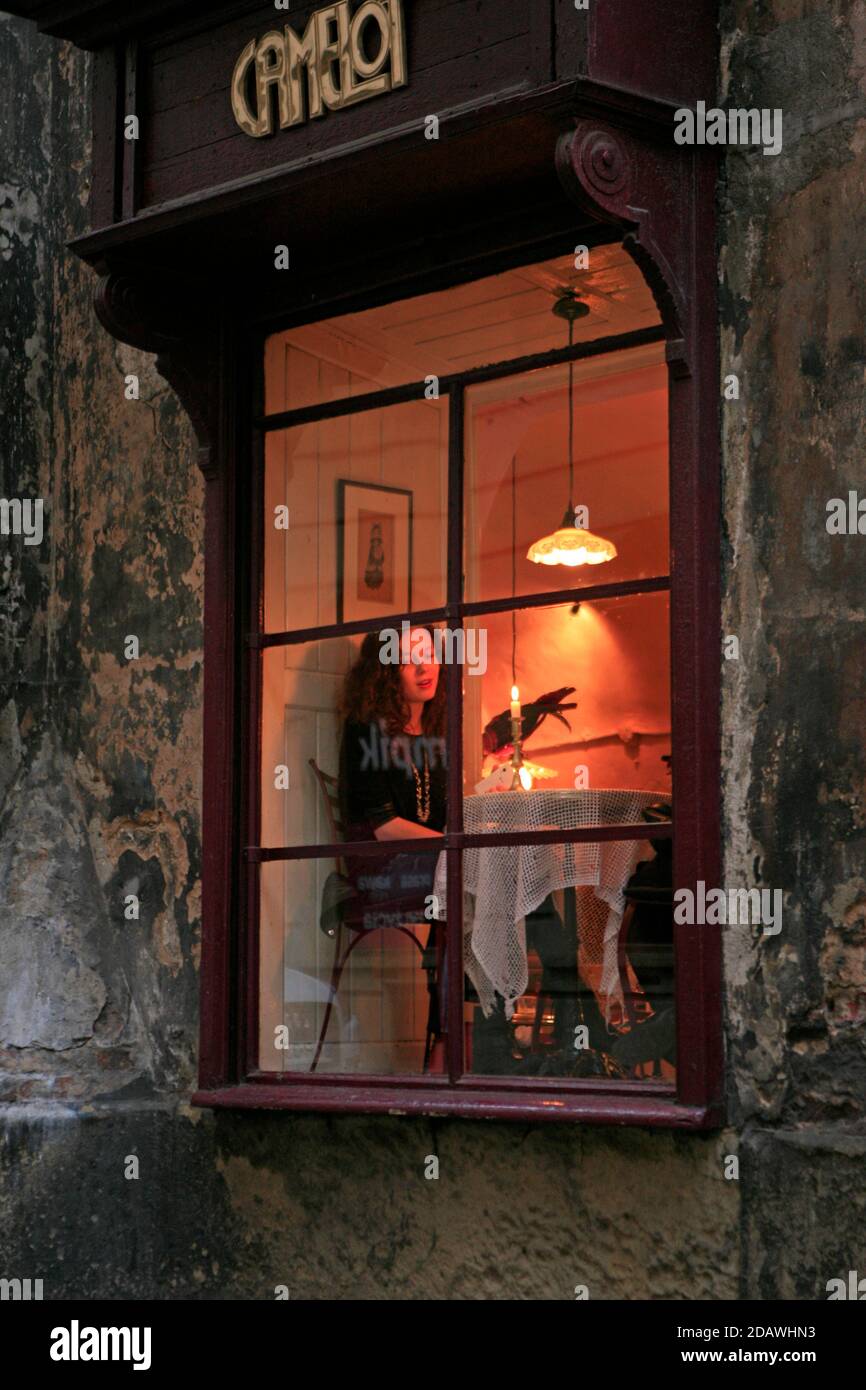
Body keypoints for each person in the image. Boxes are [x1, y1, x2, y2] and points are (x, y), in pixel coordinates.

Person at [337, 625, 447, 1058]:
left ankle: (462, 1036)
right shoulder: (366, 729)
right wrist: (452, 844)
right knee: (466, 878)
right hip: (379, 872)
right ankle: (453, 1042)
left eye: (429, 654)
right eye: (407, 659)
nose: (423, 667)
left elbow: (441, 819)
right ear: (386, 671)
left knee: (493, 877)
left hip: (430, 866)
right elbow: (383, 828)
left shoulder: (435, 731)